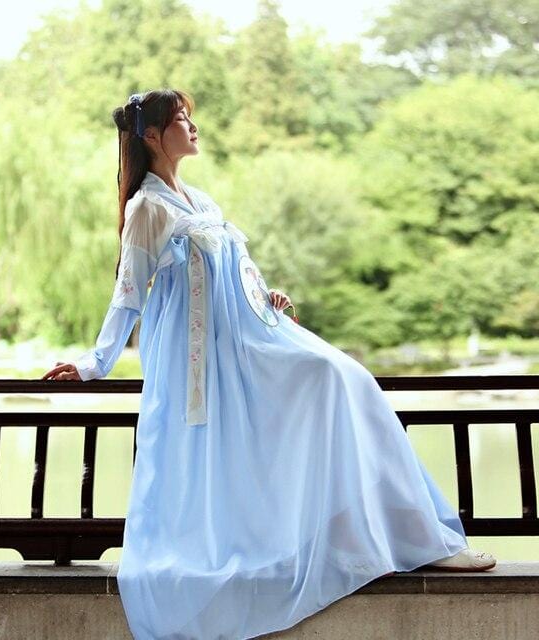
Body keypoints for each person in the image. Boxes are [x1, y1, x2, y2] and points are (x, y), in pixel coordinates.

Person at [42, 89, 496, 640]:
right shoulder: (147, 208)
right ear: (152, 135)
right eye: (181, 119)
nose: (193, 126)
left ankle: (401, 534)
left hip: (249, 333)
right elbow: (128, 292)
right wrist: (94, 362)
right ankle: (354, 538)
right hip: (203, 356)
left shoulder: (201, 201)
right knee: (324, 383)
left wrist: (265, 294)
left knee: (346, 379)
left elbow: (240, 269)